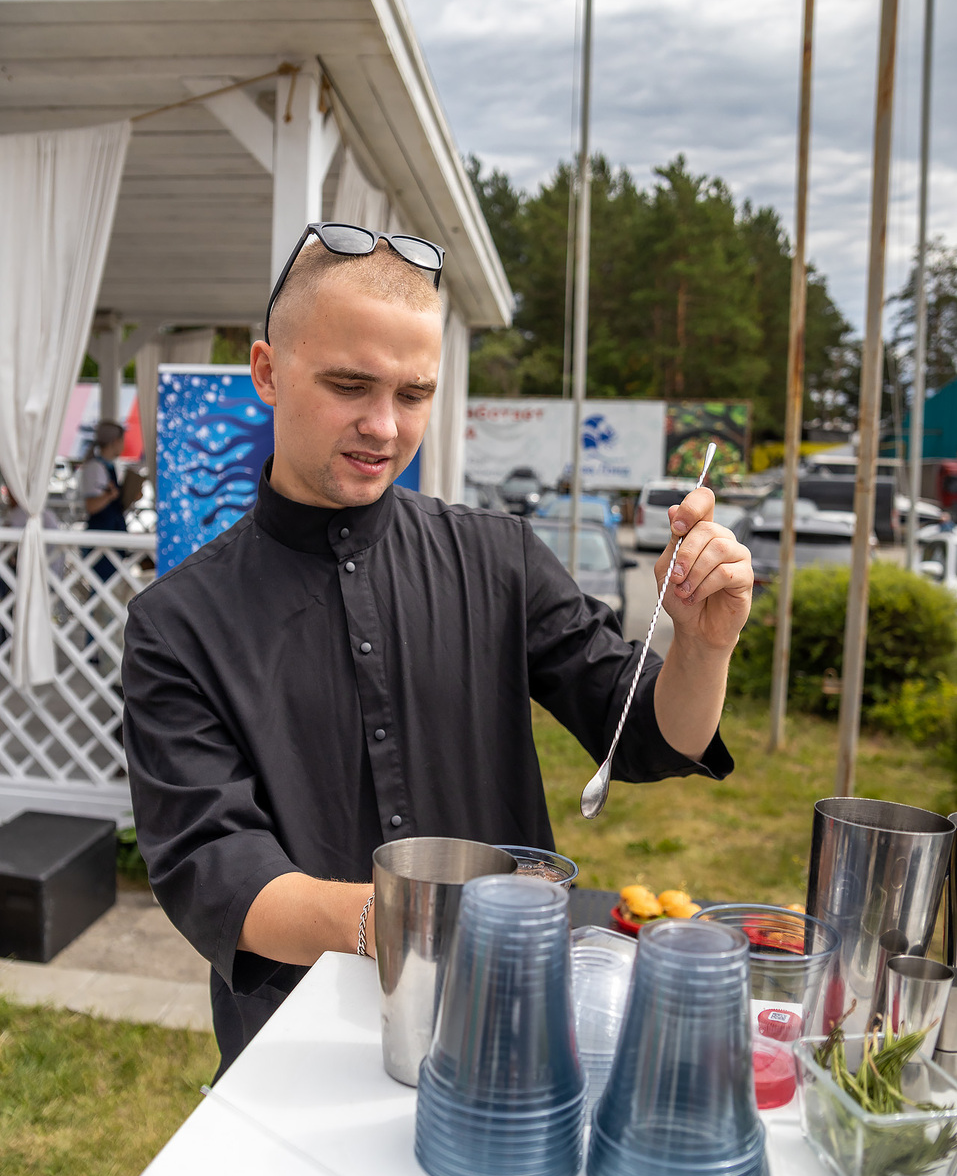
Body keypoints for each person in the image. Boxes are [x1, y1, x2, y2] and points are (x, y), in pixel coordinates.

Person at [122, 226, 753, 1082]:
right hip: (300, 1043)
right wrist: (405, 922)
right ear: (266, 371)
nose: (382, 426)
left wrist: (703, 647)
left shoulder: (498, 558)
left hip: (505, 1023)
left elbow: (641, 736)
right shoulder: (180, 621)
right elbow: (213, 868)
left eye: (412, 393)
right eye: (348, 384)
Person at [78, 419, 128, 582]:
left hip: (113, 533)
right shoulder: (95, 467)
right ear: (115, 441)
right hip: (102, 534)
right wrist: (109, 496)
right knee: (101, 583)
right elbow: (91, 506)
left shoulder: (110, 466)